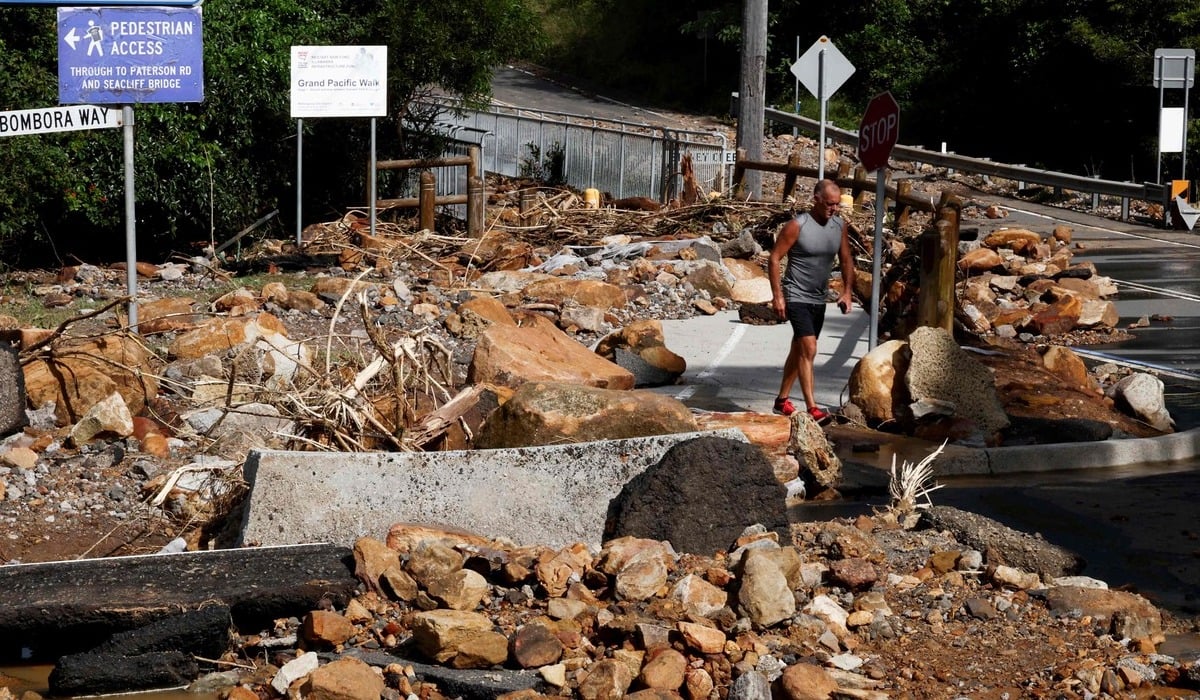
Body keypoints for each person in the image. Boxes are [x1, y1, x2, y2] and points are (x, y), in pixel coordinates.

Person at [768, 179, 855, 422]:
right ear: (816, 199)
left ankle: (781, 401)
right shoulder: (797, 225)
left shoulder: (839, 226)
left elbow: (847, 260)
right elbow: (774, 259)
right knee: (809, 348)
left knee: (799, 349)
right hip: (796, 293)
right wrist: (778, 296)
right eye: (829, 204)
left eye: (837, 205)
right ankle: (813, 408)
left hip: (819, 297)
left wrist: (847, 292)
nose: (834, 209)